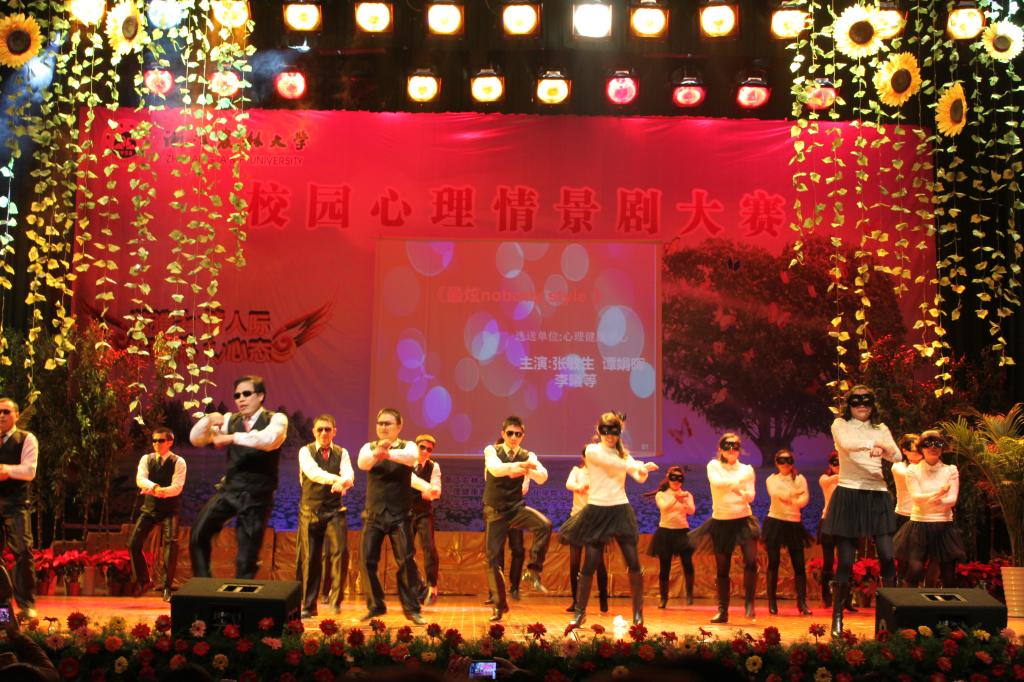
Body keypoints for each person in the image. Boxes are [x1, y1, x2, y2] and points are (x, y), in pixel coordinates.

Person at [562, 412, 657, 629]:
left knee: (633, 561)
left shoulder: (623, 456)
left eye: (614, 432)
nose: (610, 436)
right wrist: (634, 464)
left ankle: (638, 613)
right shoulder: (593, 450)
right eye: (605, 431)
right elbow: (613, 463)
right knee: (590, 563)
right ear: (599, 431)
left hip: (620, 510)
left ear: (619, 433)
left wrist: (644, 469)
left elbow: (639, 478)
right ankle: (580, 613)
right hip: (597, 511)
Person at [189, 375, 288, 578]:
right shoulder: (230, 420)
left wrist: (232, 437)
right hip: (230, 490)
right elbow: (196, 439)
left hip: (257, 496)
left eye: (246, 394)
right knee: (198, 535)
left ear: (260, 396)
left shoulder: (276, 419)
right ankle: (203, 587)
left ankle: (241, 594)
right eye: (237, 395)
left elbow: (268, 440)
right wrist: (208, 420)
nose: (241, 399)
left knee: (246, 560)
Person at [822, 384, 901, 637]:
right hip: (849, 492)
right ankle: (837, 618)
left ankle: (891, 618)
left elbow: (897, 456)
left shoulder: (881, 428)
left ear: (873, 404)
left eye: (866, 401)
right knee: (846, 560)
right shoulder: (840, 425)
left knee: (887, 556)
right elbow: (847, 444)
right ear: (849, 404)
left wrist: (885, 448)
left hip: (877, 494)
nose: (862, 406)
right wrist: (874, 445)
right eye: (856, 401)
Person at [357, 408, 425, 625]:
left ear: (399, 426)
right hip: (374, 514)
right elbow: (363, 463)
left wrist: (387, 453)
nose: (383, 427)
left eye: (388, 423)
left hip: (400, 515)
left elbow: (411, 458)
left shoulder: (408, 446)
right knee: (367, 561)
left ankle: (412, 609)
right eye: (380, 423)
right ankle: (376, 606)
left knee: (406, 561)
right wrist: (378, 452)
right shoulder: (368, 447)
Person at [483, 416, 552, 622]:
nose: (514, 437)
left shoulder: (528, 455)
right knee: (492, 560)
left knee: (544, 525)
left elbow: (543, 476)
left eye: (518, 434)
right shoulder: (491, 450)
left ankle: (533, 570)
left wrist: (529, 468)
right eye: (510, 433)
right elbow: (496, 469)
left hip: (515, 509)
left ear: (523, 435)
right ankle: (499, 605)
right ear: (503, 434)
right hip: (495, 511)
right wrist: (519, 466)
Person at [690, 433, 759, 624]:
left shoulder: (747, 469)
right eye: (727, 446)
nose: (731, 450)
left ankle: (749, 603)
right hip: (721, 521)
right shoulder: (714, 466)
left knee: (751, 561)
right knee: (722, 568)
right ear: (720, 449)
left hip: (743, 519)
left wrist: (740, 491)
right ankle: (723, 610)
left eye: (735, 446)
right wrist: (737, 485)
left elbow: (751, 496)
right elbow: (716, 483)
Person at [296, 414, 353, 618]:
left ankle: (335, 600)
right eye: (319, 429)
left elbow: (349, 474)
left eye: (327, 429)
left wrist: (345, 481)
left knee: (341, 552)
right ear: (314, 431)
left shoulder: (342, 453)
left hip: (334, 510)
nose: (323, 433)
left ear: (334, 431)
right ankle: (309, 605)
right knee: (310, 558)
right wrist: (338, 480)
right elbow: (313, 473)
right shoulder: (305, 451)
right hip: (310, 511)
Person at [893, 429, 965, 588]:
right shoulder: (913, 470)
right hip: (920, 524)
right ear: (921, 448)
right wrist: (939, 494)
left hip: (943, 524)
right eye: (928, 444)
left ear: (942, 447)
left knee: (948, 574)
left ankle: (947, 605)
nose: (933, 447)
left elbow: (952, 500)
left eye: (937, 443)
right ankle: (907, 603)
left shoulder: (950, 470)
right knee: (915, 569)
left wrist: (932, 499)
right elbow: (916, 498)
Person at [129, 426, 186, 601]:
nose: (156, 444)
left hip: (169, 510)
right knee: (133, 543)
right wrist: (154, 487)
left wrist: (160, 491)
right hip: (150, 509)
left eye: (160, 440)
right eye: (154, 440)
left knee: (171, 544)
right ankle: (143, 581)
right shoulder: (146, 459)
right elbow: (140, 479)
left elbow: (177, 487)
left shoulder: (178, 462)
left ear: (170, 442)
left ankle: (167, 587)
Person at [0, 397, 39, 619]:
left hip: (16, 504)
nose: (1, 416)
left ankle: (26, 605)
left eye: (6, 411)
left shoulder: (26, 439)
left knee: (23, 552)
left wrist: (6, 471)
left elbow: (29, 471)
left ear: (16, 414)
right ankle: (2, 613)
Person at [763, 449, 813, 616]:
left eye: (788, 460)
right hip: (775, 521)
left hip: (793, 523)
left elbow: (804, 499)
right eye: (782, 461)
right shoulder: (771, 479)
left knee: (799, 564)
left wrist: (793, 499)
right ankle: (772, 602)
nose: (785, 464)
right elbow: (776, 494)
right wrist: (794, 494)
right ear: (776, 463)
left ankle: (802, 602)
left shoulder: (800, 479)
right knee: (774, 562)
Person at [565, 450, 609, 614]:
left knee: (598, 562)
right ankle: (575, 601)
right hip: (577, 521)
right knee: (574, 563)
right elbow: (569, 484)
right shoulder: (577, 471)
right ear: (583, 457)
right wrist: (579, 487)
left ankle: (603, 599)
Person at [645, 465, 695, 609]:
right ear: (668, 478)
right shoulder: (661, 494)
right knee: (665, 566)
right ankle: (664, 598)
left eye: (679, 479)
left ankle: (689, 593)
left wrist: (683, 500)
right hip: (665, 532)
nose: (676, 481)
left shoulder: (687, 495)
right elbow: (664, 508)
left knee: (687, 563)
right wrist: (676, 499)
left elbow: (691, 511)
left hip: (682, 532)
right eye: (673, 478)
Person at [410, 434, 442, 606]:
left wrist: (431, 492)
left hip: (423, 512)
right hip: (406, 513)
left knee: (429, 547)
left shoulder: (433, 466)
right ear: (416, 446)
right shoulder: (407, 463)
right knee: (405, 552)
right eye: (422, 447)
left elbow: (436, 488)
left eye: (429, 449)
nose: (425, 452)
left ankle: (432, 585)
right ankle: (419, 587)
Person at [817, 451, 841, 608]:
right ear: (829, 465)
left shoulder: (849, 480)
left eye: (840, 463)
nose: (837, 466)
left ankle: (844, 598)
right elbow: (830, 481)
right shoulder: (825, 479)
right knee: (828, 562)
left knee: (845, 561)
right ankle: (826, 595)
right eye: (834, 463)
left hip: (845, 523)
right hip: (828, 522)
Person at [892, 433, 922, 533]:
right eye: (915, 450)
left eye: (921, 449)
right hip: (905, 514)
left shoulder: (927, 465)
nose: (919, 452)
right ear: (904, 450)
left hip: (924, 516)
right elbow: (911, 477)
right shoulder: (898, 466)